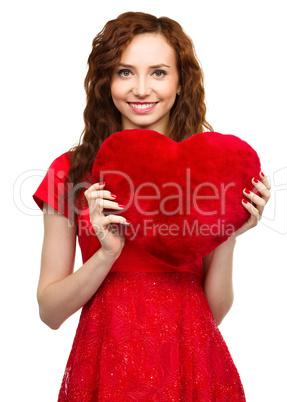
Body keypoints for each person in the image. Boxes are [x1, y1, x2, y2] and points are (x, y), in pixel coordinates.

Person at [33, 11, 271, 401]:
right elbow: (50, 312)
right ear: (106, 82)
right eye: (125, 72)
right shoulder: (69, 171)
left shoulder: (212, 172)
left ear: (181, 83)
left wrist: (228, 232)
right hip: (105, 362)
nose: (141, 89)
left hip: (191, 363)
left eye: (158, 72)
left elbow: (213, 313)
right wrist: (107, 254)